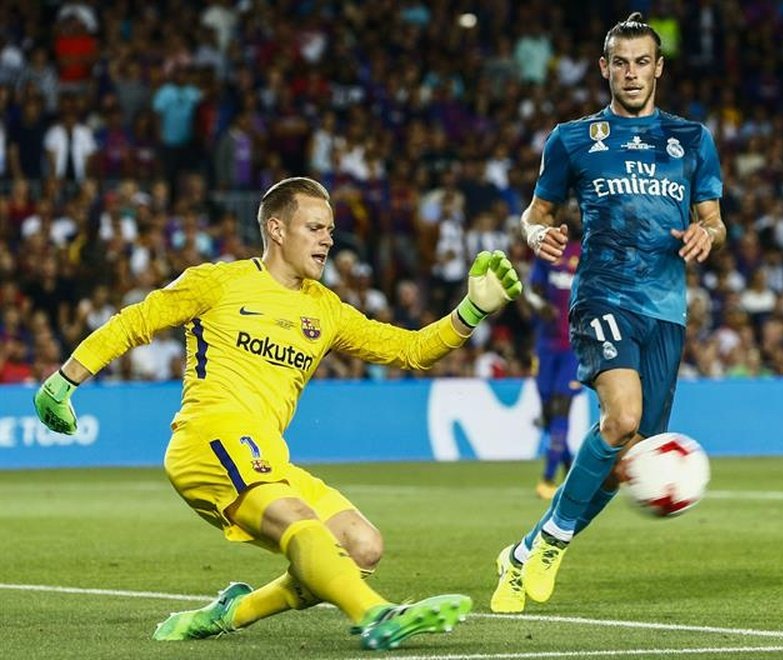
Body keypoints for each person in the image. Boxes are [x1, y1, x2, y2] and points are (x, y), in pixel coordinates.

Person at [33, 176, 523, 650]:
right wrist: (63, 382)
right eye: (316, 228)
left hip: (267, 455)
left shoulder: (326, 310)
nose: (328, 240)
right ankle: (376, 615)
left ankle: (231, 613)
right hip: (209, 439)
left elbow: (410, 350)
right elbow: (135, 322)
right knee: (303, 525)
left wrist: (471, 312)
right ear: (277, 230)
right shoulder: (218, 283)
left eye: (330, 230)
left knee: (361, 545)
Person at [490, 13, 726, 614]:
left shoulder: (691, 139)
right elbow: (536, 213)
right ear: (604, 68)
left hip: (667, 311)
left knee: (627, 461)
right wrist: (534, 234)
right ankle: (554, 543)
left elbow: (714, 219)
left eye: (642, 62)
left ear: (659, 68)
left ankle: (527, 549)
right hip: (603, 293)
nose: (631, 73)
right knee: (621, 417)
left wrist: (708, 234)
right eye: (620, 62)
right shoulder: (572, 139)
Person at [526, 211, 583, 500]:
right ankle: (575, 473)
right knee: (550, 415)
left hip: (574, 348)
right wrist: (540, 306)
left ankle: (547, 479)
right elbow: (531, 291)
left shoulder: (587, 255)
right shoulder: (548, 251)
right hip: (546, 347)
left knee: (561, 408)